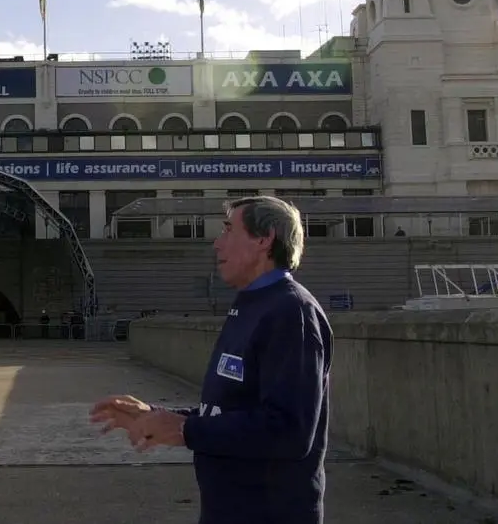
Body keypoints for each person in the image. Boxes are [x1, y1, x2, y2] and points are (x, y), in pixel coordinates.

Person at [90, 195, 332, 524]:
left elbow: (289, 430)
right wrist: (160, 418)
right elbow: (232, 411)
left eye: (228, 230)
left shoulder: (291, 312)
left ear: (264, 239)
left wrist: (185, 430)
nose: (217, 244)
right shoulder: (250, 305)